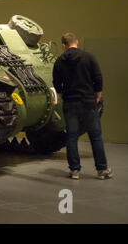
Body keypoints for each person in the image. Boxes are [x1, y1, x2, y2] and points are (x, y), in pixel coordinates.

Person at [53, 32, 112, 180]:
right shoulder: (89, 57)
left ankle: (74, 171)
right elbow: (98, 77)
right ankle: (102, 170)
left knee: (72, 137)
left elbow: (56, 82)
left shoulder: (60, 61)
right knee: (95, 136)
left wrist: (62, 93)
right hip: (88, 102)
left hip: (70, 102)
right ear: (76, 42)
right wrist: (97, 94)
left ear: (63, 45)